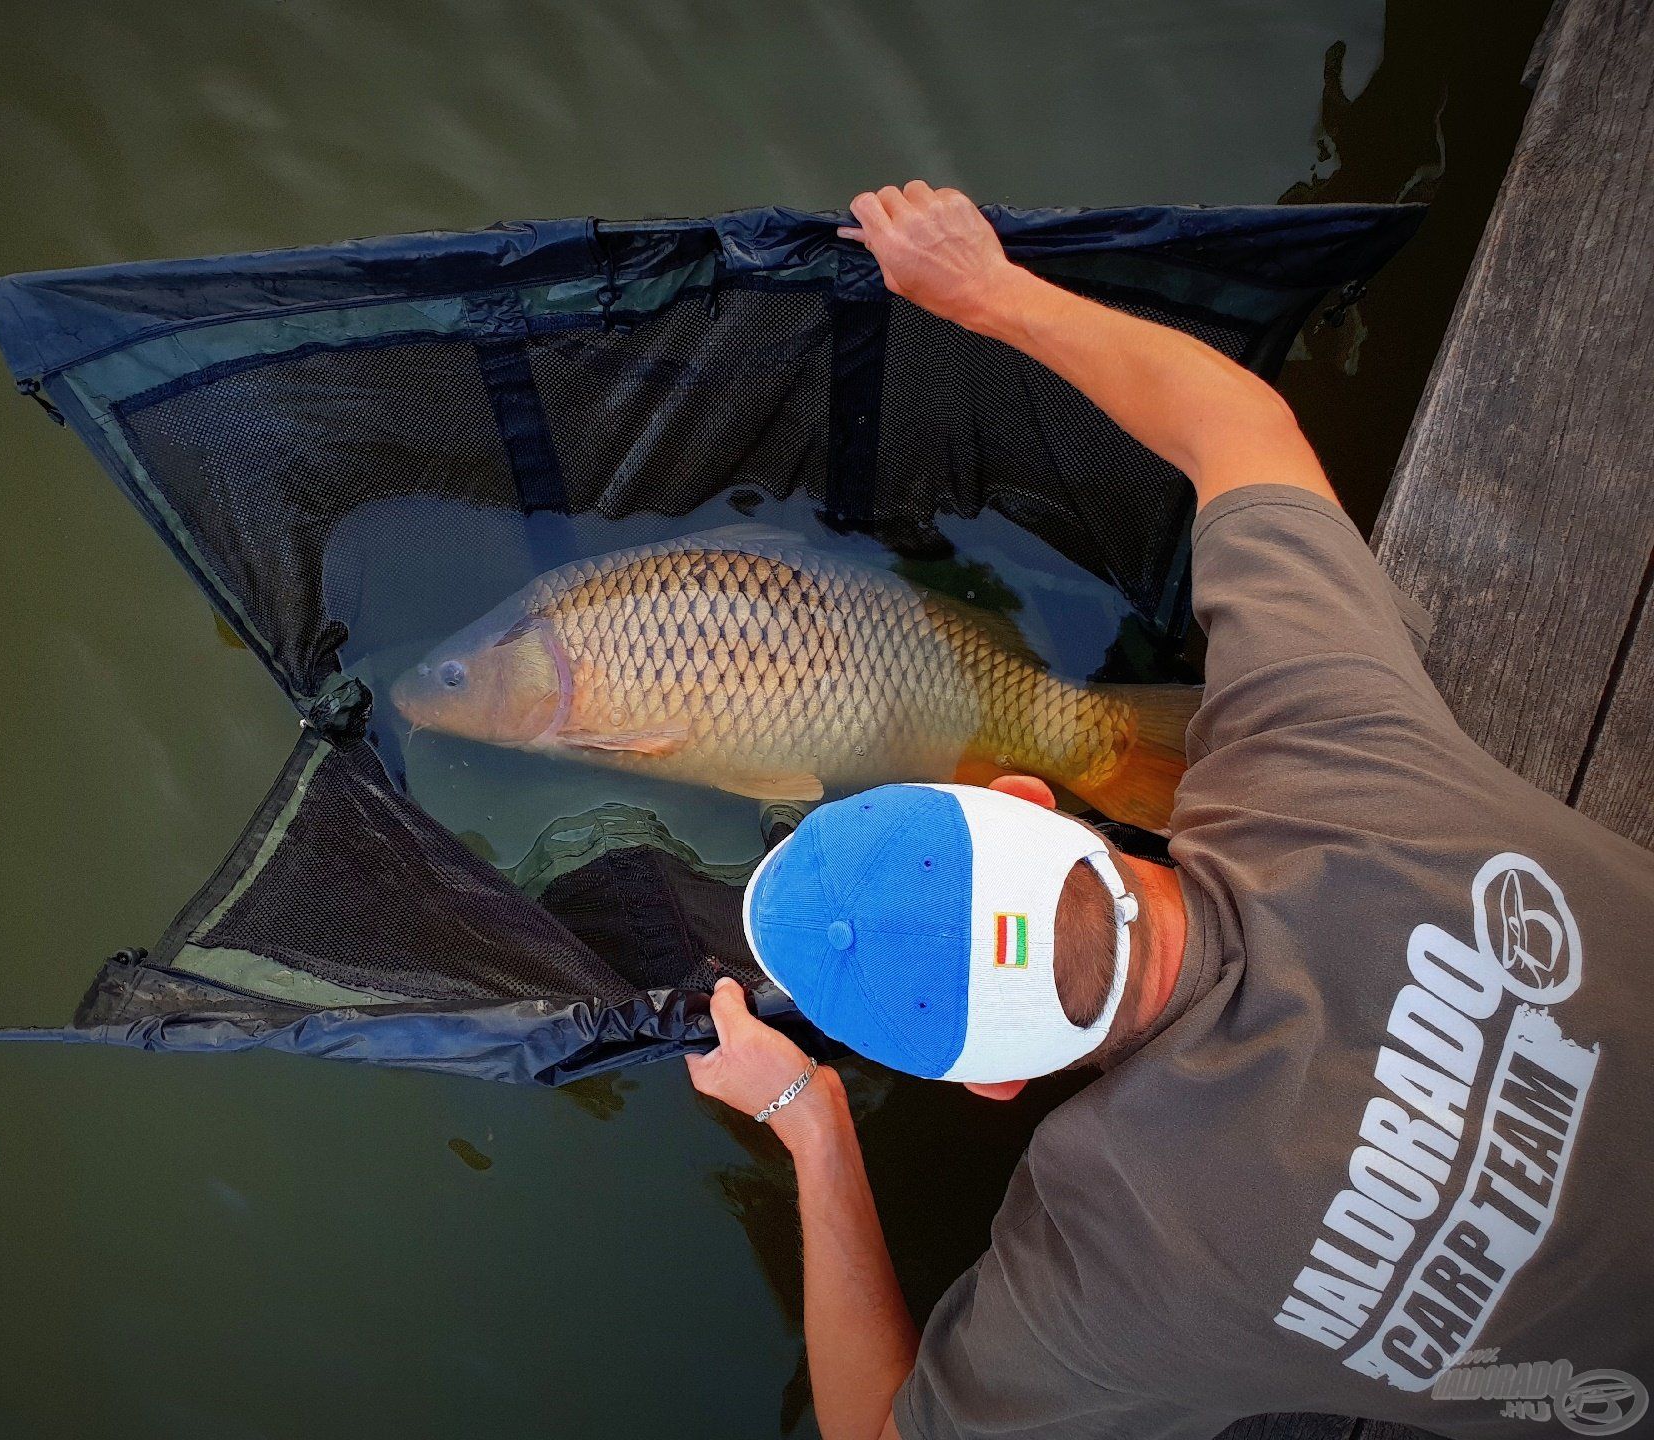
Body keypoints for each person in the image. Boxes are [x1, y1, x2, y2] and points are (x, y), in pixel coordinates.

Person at [686, 181, 1654, 1440]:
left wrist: (804, 1119)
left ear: (996, 1087)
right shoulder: (1327, 759)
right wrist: (990, 291)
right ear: (1030, 799)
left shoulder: (1114, 1267)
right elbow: (1238, 424)